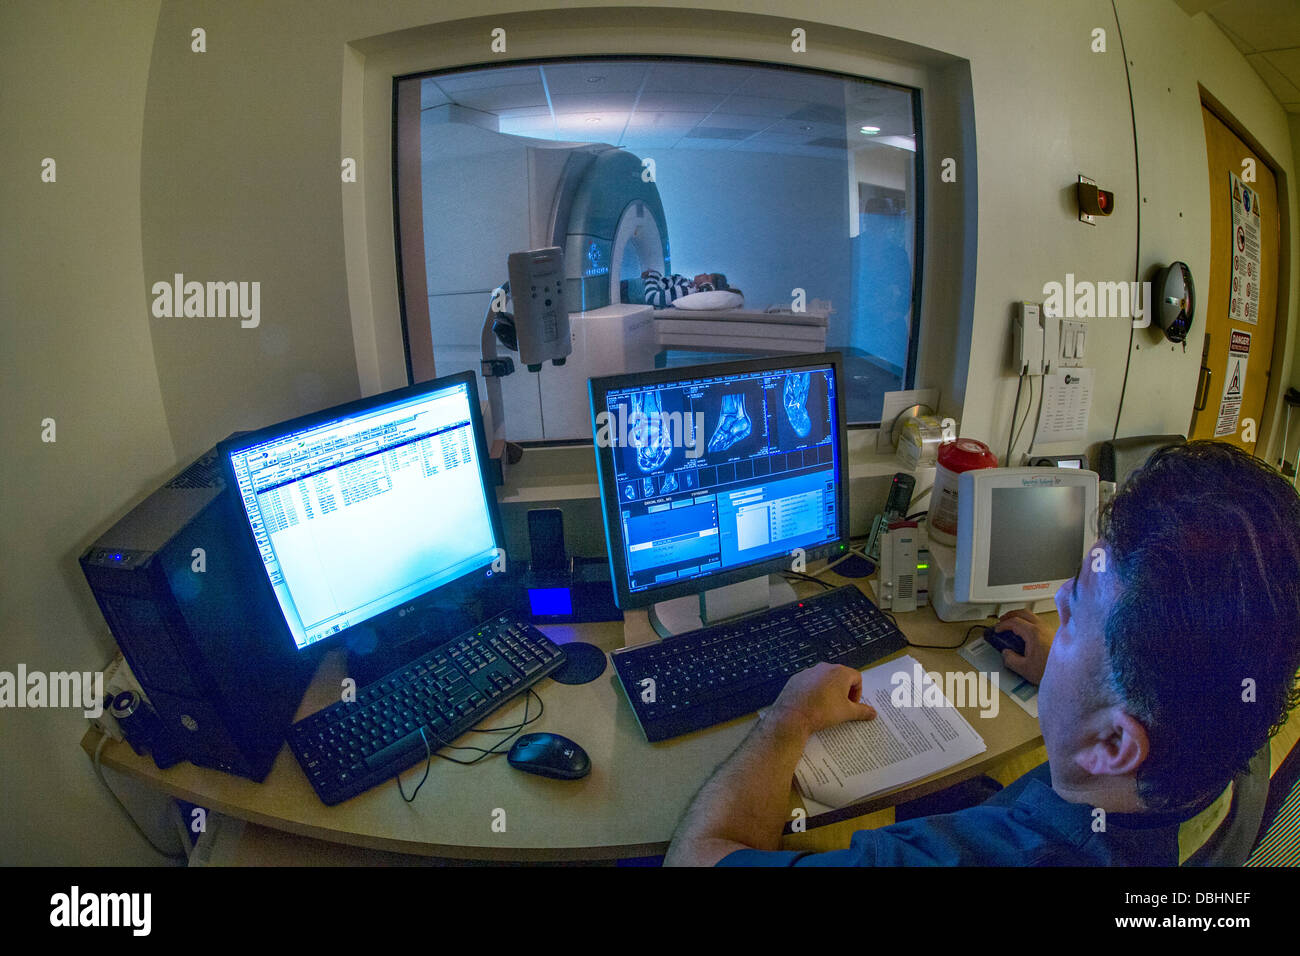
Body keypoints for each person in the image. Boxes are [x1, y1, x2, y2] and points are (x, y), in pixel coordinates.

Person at [664, 441, 1300, 866]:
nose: (1057, 597)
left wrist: (789, 718)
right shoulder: (1236, 749)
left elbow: (696, 859)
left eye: (1074, 610)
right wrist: (1079, 671)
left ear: (1114, 745)